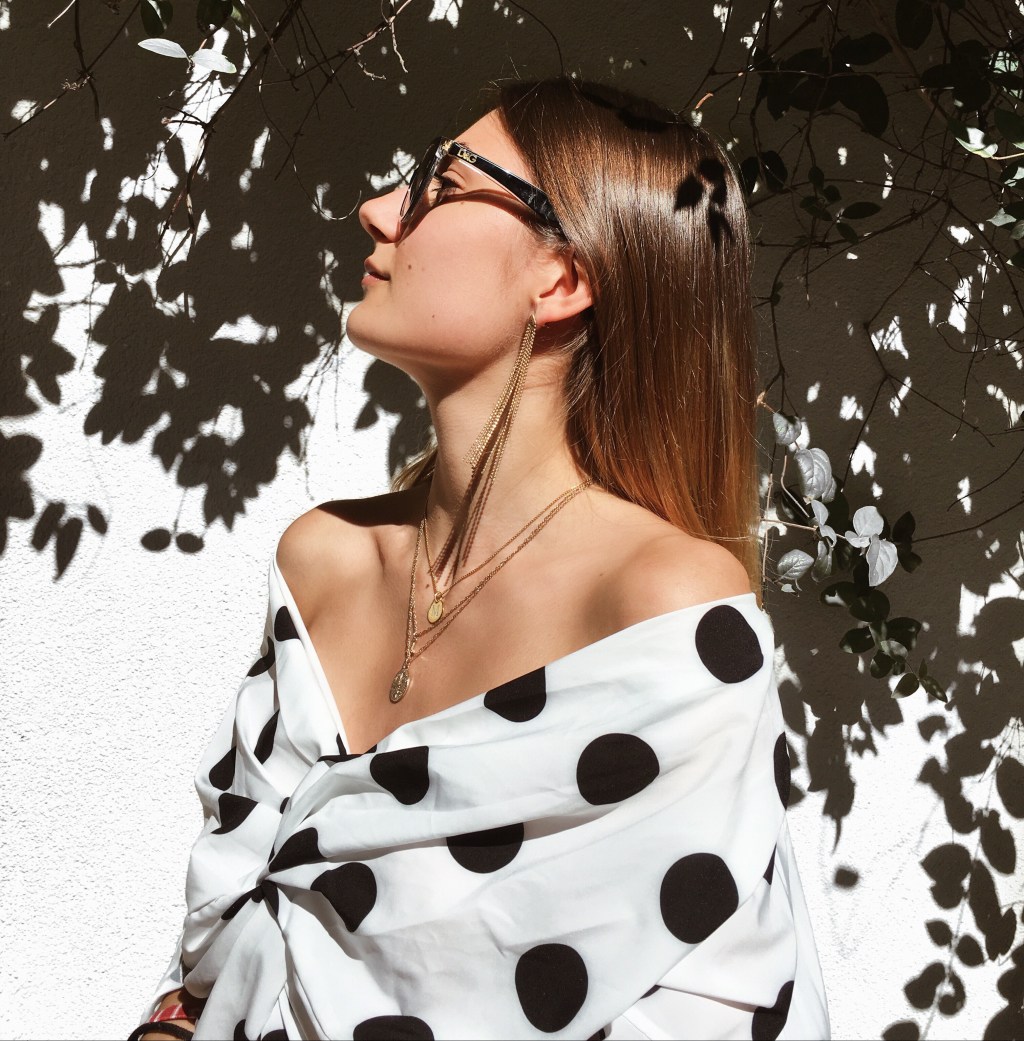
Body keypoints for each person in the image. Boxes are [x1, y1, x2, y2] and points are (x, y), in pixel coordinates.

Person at [133, 78, 830, 1041]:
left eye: (442, 183)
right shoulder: (323, 560)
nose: (378, 209)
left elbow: (706, 996)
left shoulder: (662, 608)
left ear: (562, 280)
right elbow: (221, 947)